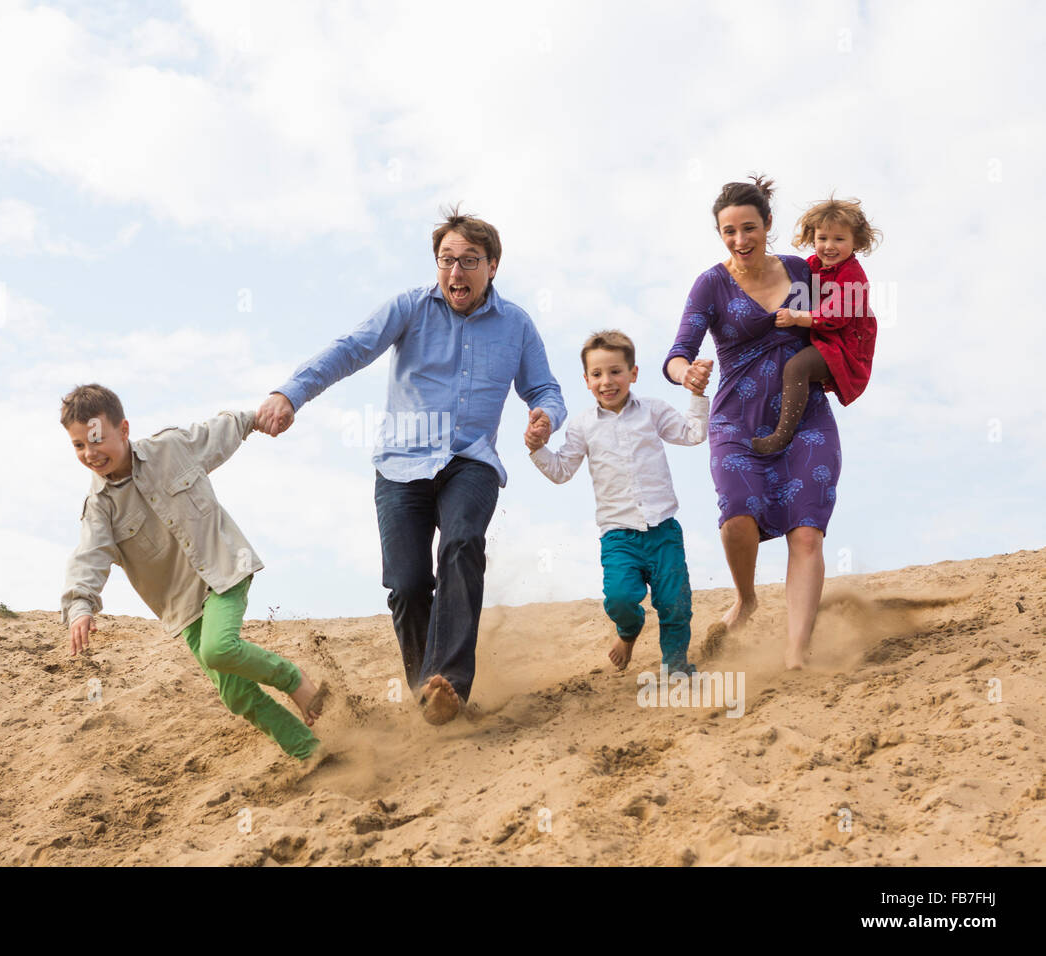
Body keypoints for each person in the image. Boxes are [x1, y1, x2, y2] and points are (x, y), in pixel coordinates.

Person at [255, 206, 567, 724]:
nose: (456, 272)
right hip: (401, 464)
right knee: (405, 583)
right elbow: (351, 349)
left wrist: (545, 416)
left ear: (493, 266)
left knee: (463, 543)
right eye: (447, 260)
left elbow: (545, 388)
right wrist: (291, 392)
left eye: (470, 260)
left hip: (471, 460)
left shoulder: (516, 325)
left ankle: (451, 681)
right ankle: (429, 692)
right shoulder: (409, 308)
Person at [59, 384, 327, 760]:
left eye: (96, 440)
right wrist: (81, 606)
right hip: (183, 605)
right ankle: (312, 752)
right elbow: (89, 556)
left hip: (223, 569)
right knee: (235, 694)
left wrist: (256, 419)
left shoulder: (171, 448)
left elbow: (218, 432)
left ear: (123, 430)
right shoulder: (100, 507)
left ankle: (293, 680)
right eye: (78, 445)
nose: (89, 453)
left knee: (219, 648)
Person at [664, 176, 840, 669]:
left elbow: (849, 314)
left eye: (748, 228)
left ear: (767, 225)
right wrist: (688, 376)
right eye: (728, 231)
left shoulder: (803, 272)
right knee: (738, 516)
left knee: (806, 533)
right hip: (736, 421)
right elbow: (678, 354)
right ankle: (746, 597)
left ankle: (795, 652)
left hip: (805, 417)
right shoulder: (710, 284)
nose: (739, 240)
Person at [527, 330, 711, 675]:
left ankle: (675, 665)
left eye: (615, 372)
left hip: (664, 531)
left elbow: (693, 434)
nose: (607, 381)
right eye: (597, 374)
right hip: (618, 537)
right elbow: (561, 470)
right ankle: (628, 631)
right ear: (586, 380)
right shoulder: (582, 426)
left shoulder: (652, 411)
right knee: (620, 599)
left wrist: (697, 395)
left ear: (633, 374)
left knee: (675, 603)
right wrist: (537, 447)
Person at [751, 195, 880, 455]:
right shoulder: (813, 265)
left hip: (844, 346)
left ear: (856, 242)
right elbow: (785, 271)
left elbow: (836, 315)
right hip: (820, 336)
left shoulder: (853, 275)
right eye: (822, 238)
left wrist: (797, 317)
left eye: (839, 239)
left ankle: (782, 436)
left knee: (798, 367)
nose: (829, 246)